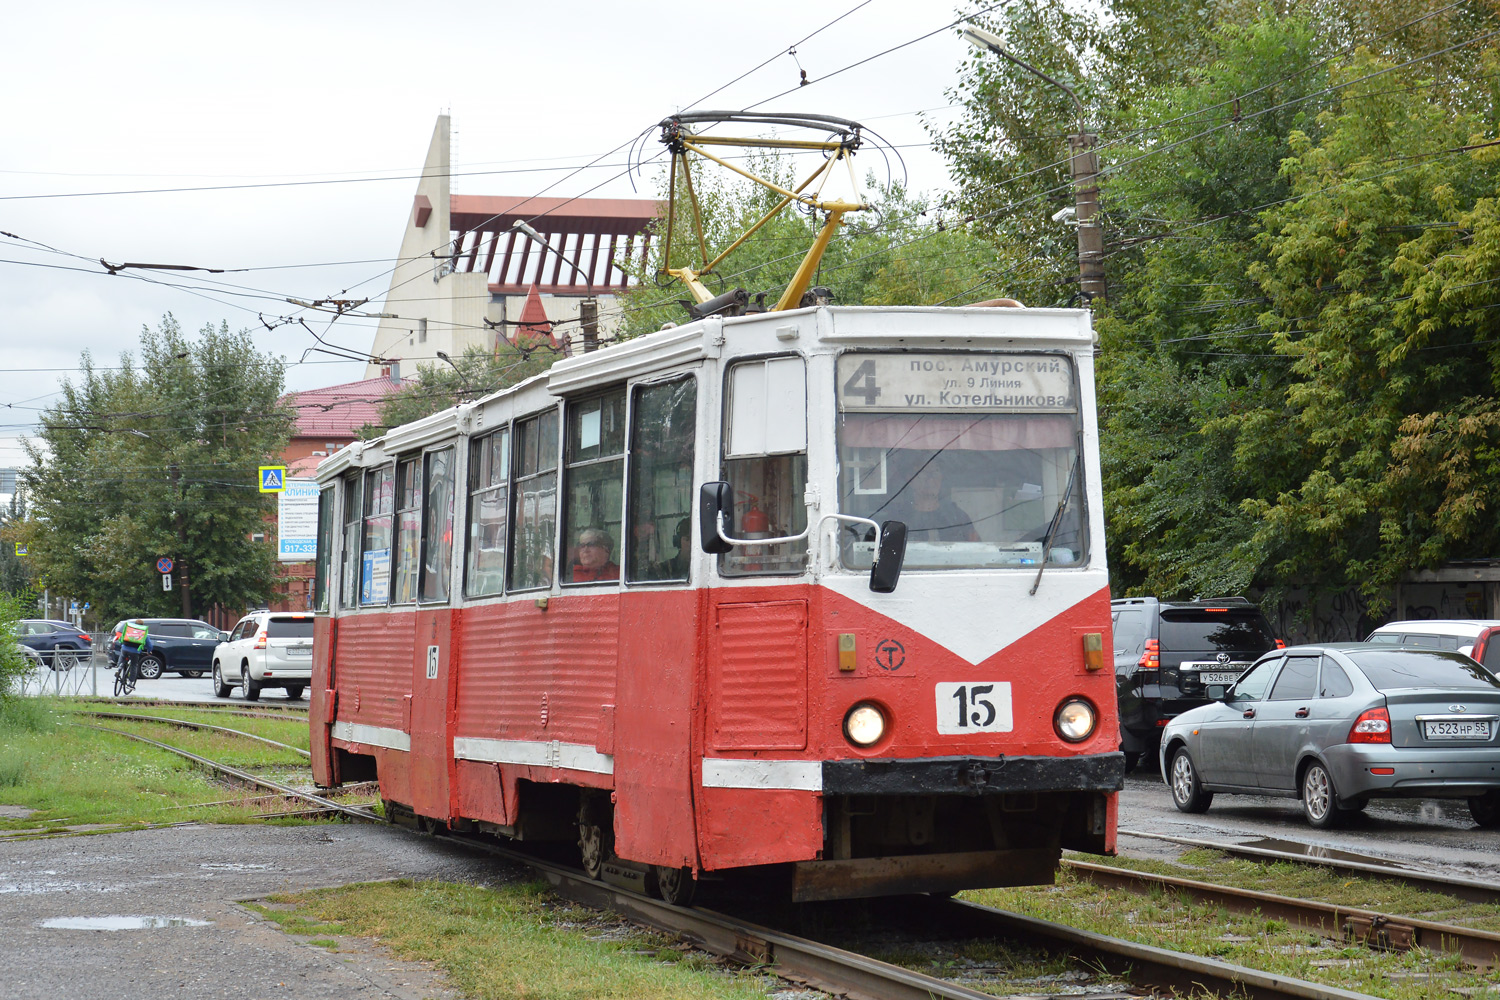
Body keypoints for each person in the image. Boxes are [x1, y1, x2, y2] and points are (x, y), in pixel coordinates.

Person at [890, 463, 978, 544]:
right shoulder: (899, 520)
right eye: (923, 473)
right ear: (910, 479)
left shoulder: (958, 517)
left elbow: (975, 549)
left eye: (935, 472)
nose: (930, 480)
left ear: (941, 478)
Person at [119, 618, 151, 685]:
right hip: (135, 651)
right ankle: (130, 683)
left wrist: (122, 644)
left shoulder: (130, 629)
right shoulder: (144, 632)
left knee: (122, 657)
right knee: (134, 665)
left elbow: (122, 637)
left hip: (125, 648)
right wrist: (149, 651)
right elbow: (149, 644)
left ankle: (119, 668)